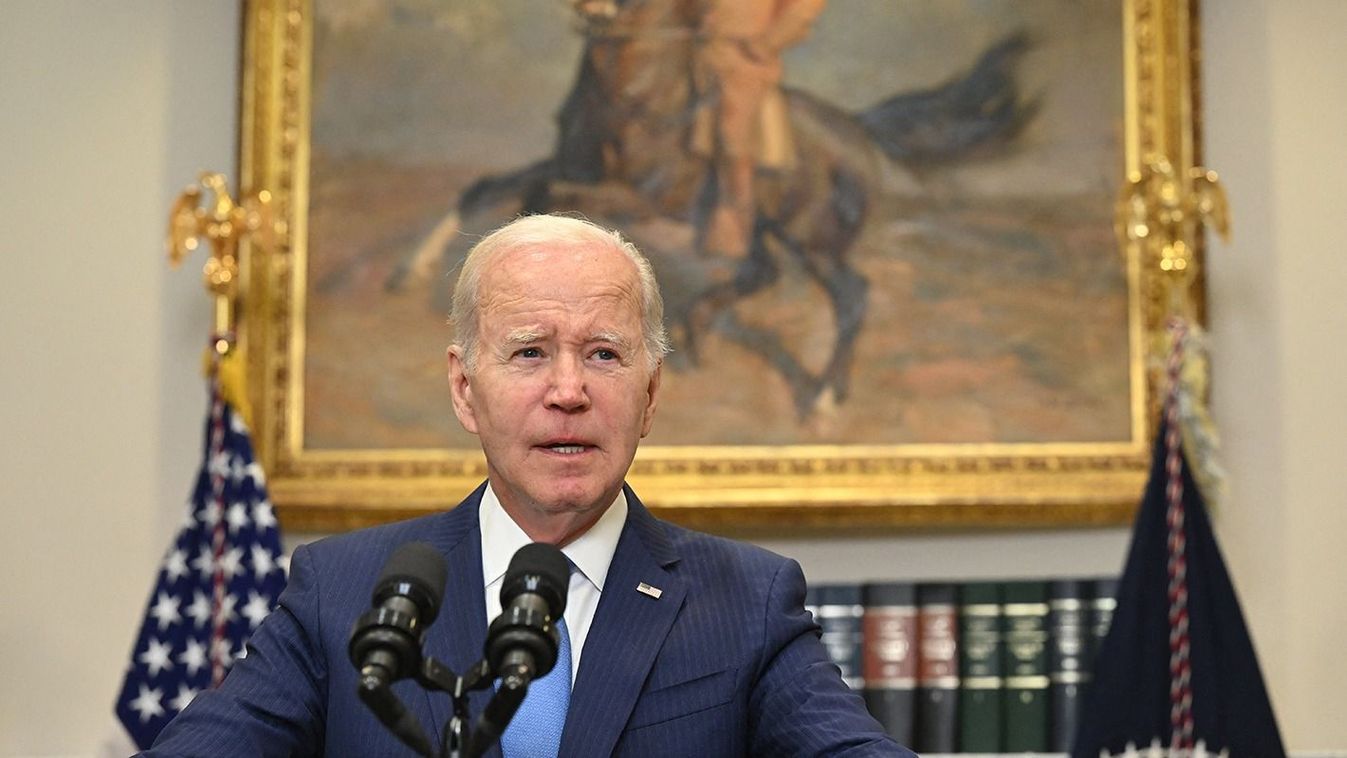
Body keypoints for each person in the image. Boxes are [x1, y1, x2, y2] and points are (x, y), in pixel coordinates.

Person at [146, 214, 912, 756]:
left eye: (605, 355)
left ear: (650, 394)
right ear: (463, 388)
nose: (569, 390)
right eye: (529, 353)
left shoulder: (745, 600)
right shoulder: (341, 589)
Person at [691, 0, 828, 260]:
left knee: (733, 140)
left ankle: (733, 232)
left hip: (746, 60)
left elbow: (804, 8)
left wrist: (767, 44)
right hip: (703, 49)